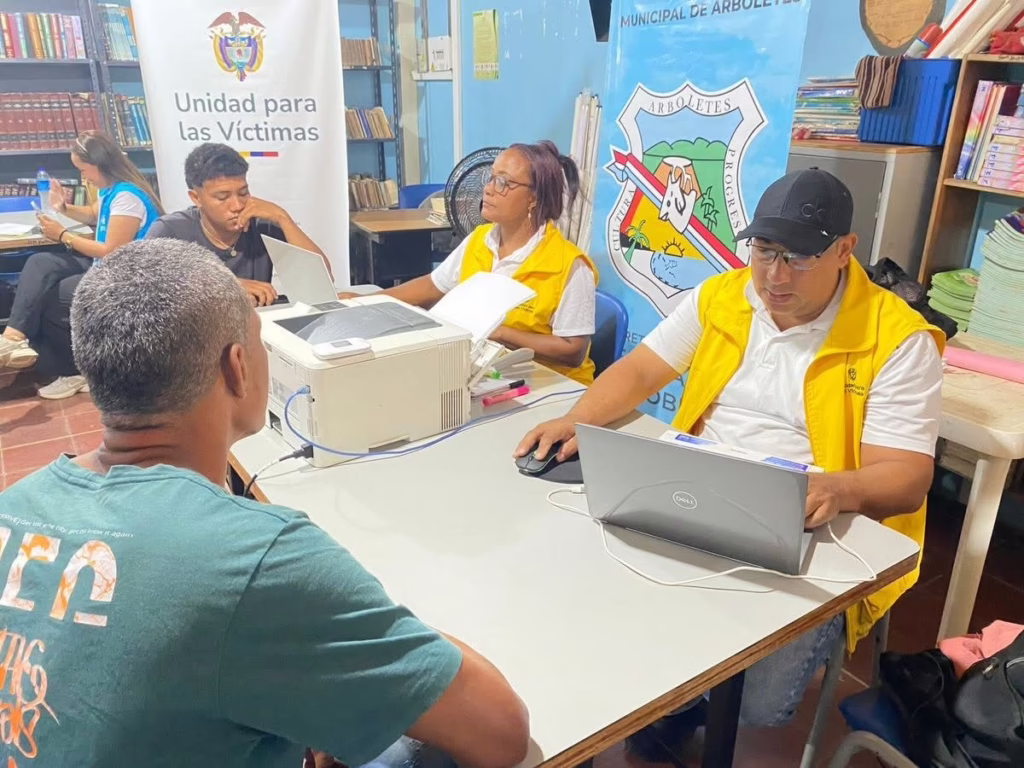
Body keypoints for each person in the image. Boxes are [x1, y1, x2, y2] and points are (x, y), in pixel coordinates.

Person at [0, 237, 530, 768]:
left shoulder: (15, 503)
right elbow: (501, 733)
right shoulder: (255, 559)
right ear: (238, 367)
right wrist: (347, 626)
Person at [515, 168, 946, 756]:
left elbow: (907, 479)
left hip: (808, 518)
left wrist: (836, 489)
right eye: (764, 251)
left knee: (758, 701)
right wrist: (579, 418)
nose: (775, 276)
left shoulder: (895, 338)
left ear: (845, 251)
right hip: (702, 482)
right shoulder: (723, 296)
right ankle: (667, 694)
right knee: (585, 581)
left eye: (799, 257)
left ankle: (682, 699)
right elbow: (640, 370)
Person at [347, 141, 599, 385]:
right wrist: (366, 301)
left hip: (553, 386)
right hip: (493, 371)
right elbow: (432, 285)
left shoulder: (570, 265)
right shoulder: (480, 239)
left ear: (534, 198)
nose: (488, 189)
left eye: (504, 183)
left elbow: (573, 350)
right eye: (491, 177)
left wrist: (499, 332)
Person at [0, 131, 163, 399]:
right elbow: (93, 214)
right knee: (40, 263)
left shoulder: (127, 197)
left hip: (125, 276)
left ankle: (73, 371)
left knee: (51, 298)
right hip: (105, 266)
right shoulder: (110, 189)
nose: (83, 176)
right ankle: (12, 337)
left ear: (100, 165)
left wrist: (63, 235)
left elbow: (111, 251)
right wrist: (63, 208)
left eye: (83, 169)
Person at [145, 142, 331, 307]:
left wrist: (283, 218)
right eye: (222, 197)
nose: (237, 206)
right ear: (196, 198)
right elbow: (142, 290)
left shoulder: (262, 224)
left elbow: (322, 281)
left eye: (243, 193)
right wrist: (226, 286)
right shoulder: (171, 230)